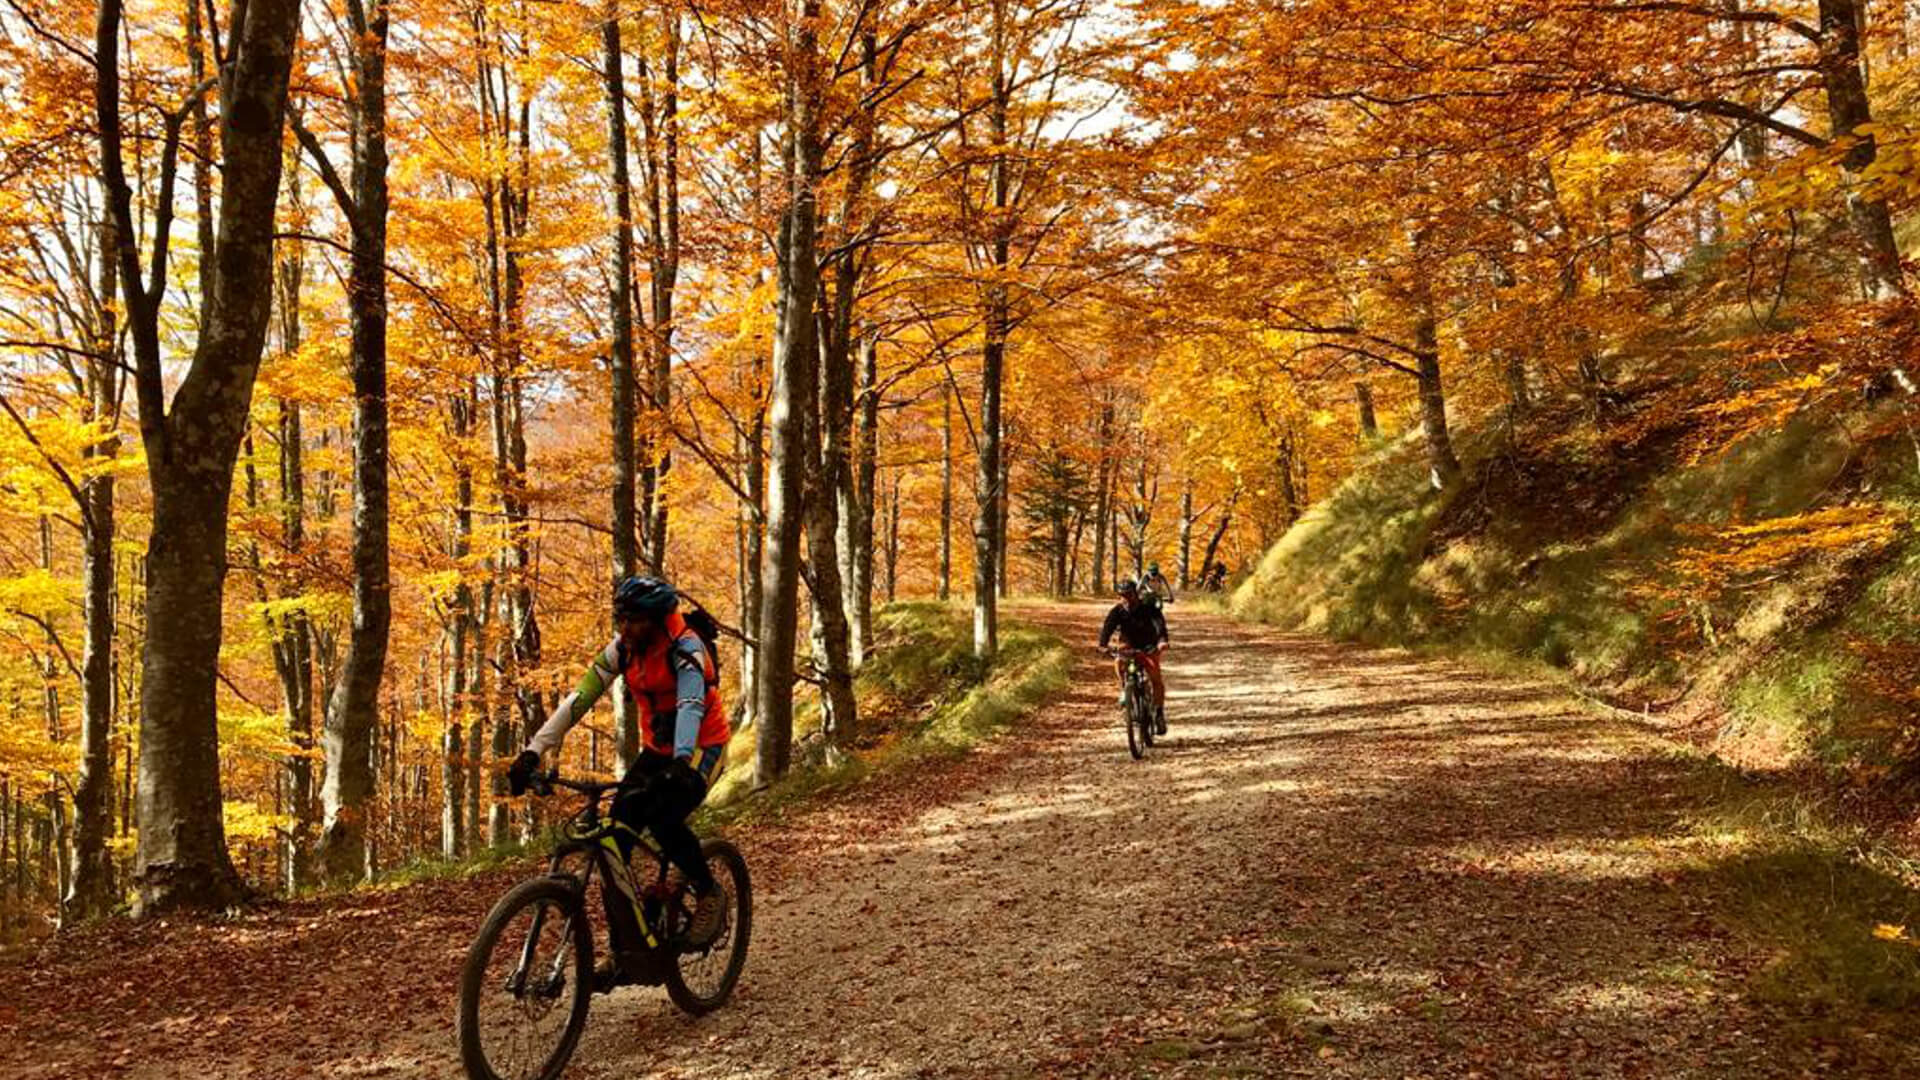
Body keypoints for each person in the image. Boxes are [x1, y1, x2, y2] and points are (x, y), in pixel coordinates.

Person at [508, 575, 729, 944]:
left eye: (634, 620)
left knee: (663, 818)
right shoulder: (623, 649)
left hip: (702, 747)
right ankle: (625, 950)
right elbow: (579, 699)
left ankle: (709, 891)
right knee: (614, 844)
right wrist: (533, 751)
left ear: (656, 620)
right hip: (658, 751)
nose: (624, 628)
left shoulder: (686, 647)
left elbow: (691, 705)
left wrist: (681, 761)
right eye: (620, 619)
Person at [1098, 578, 1169, 734]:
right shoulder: (1117, 611)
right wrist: (1103, 644)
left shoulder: (1148, 609)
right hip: (1128, 644)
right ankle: (1125, 687)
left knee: (1155, 678)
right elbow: (1107, 628)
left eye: (1129, 594)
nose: (1126, 598)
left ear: (1136, 594)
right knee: (1119, 660)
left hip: (1148, 644)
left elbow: (1160, 625)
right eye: (1122, 595)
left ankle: (1159, 713)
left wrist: (1162, 641)